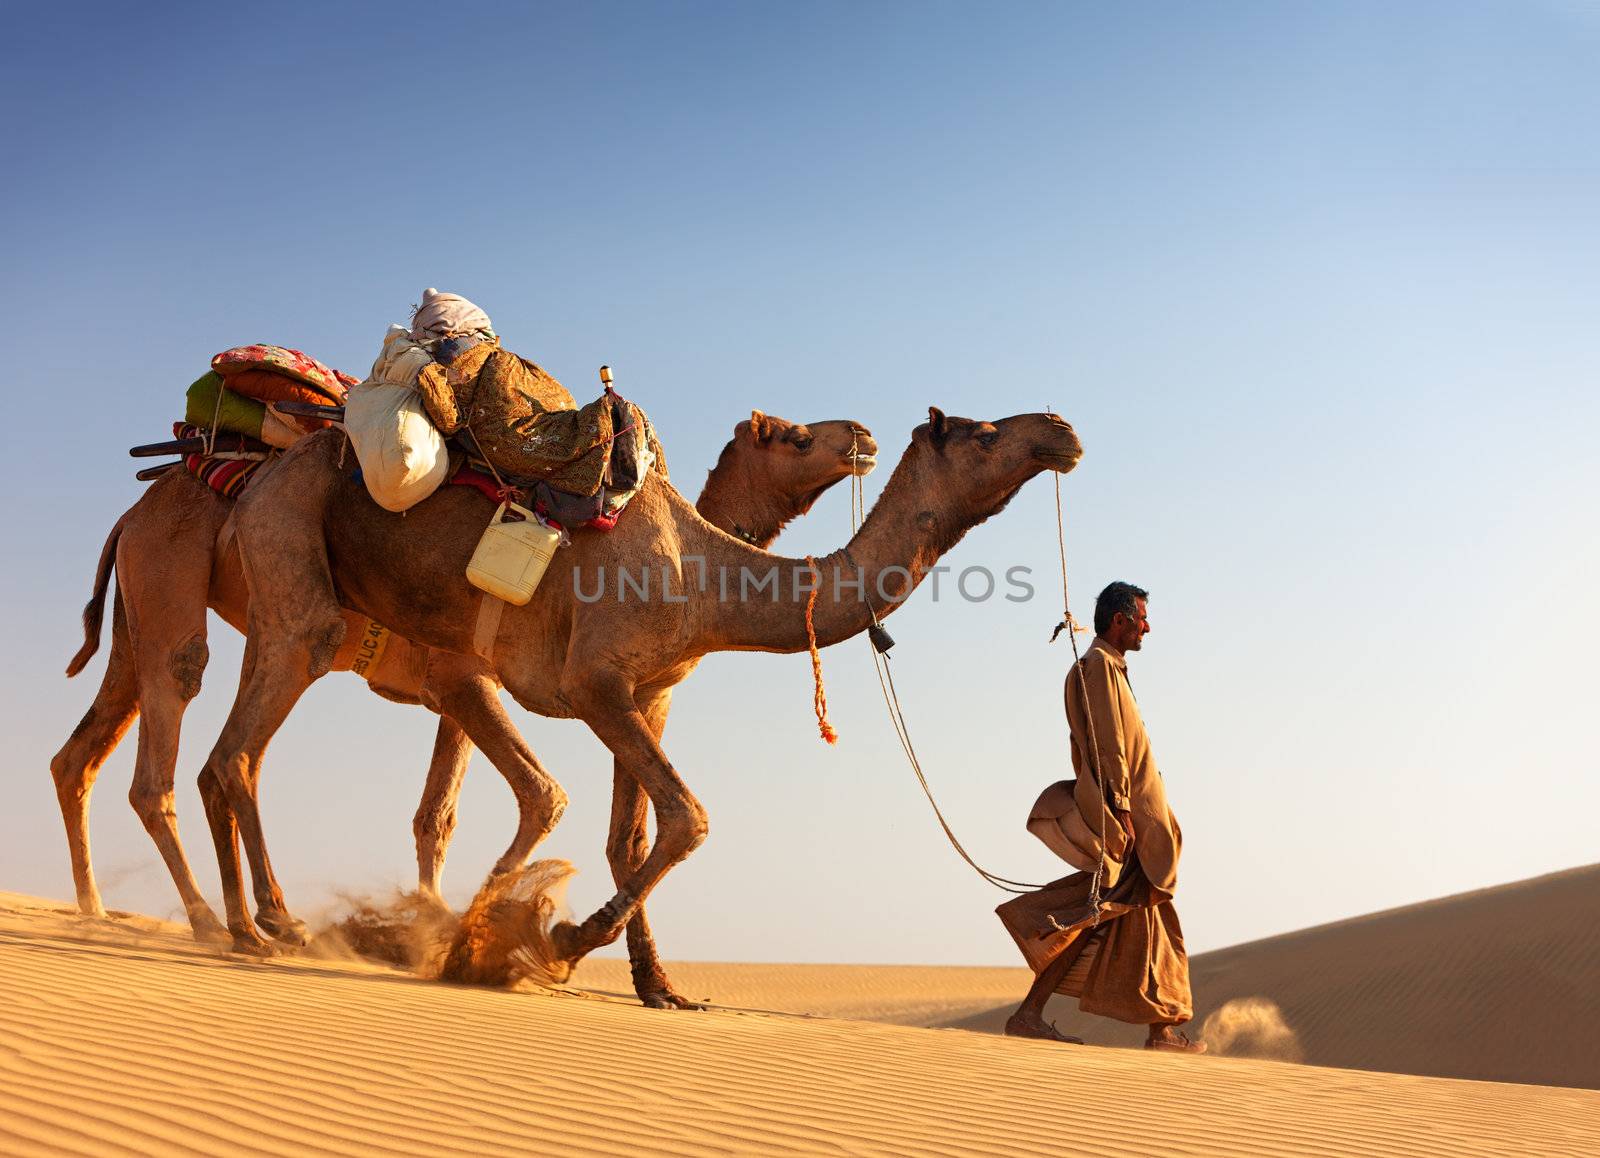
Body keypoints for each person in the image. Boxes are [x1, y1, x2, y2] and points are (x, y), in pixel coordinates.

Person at [996, 581, 1205, 1053]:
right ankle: (1031, 1012)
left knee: (1138, 916)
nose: (1147, 628)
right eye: (1142, 619)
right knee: (1098, 912)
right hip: (1129, 822)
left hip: (1142, 824)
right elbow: (1107, 744)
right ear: (1120, 620)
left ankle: (1159, 1028)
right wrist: (1123, 810)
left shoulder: (1109, 669)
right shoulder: (1097, 669)